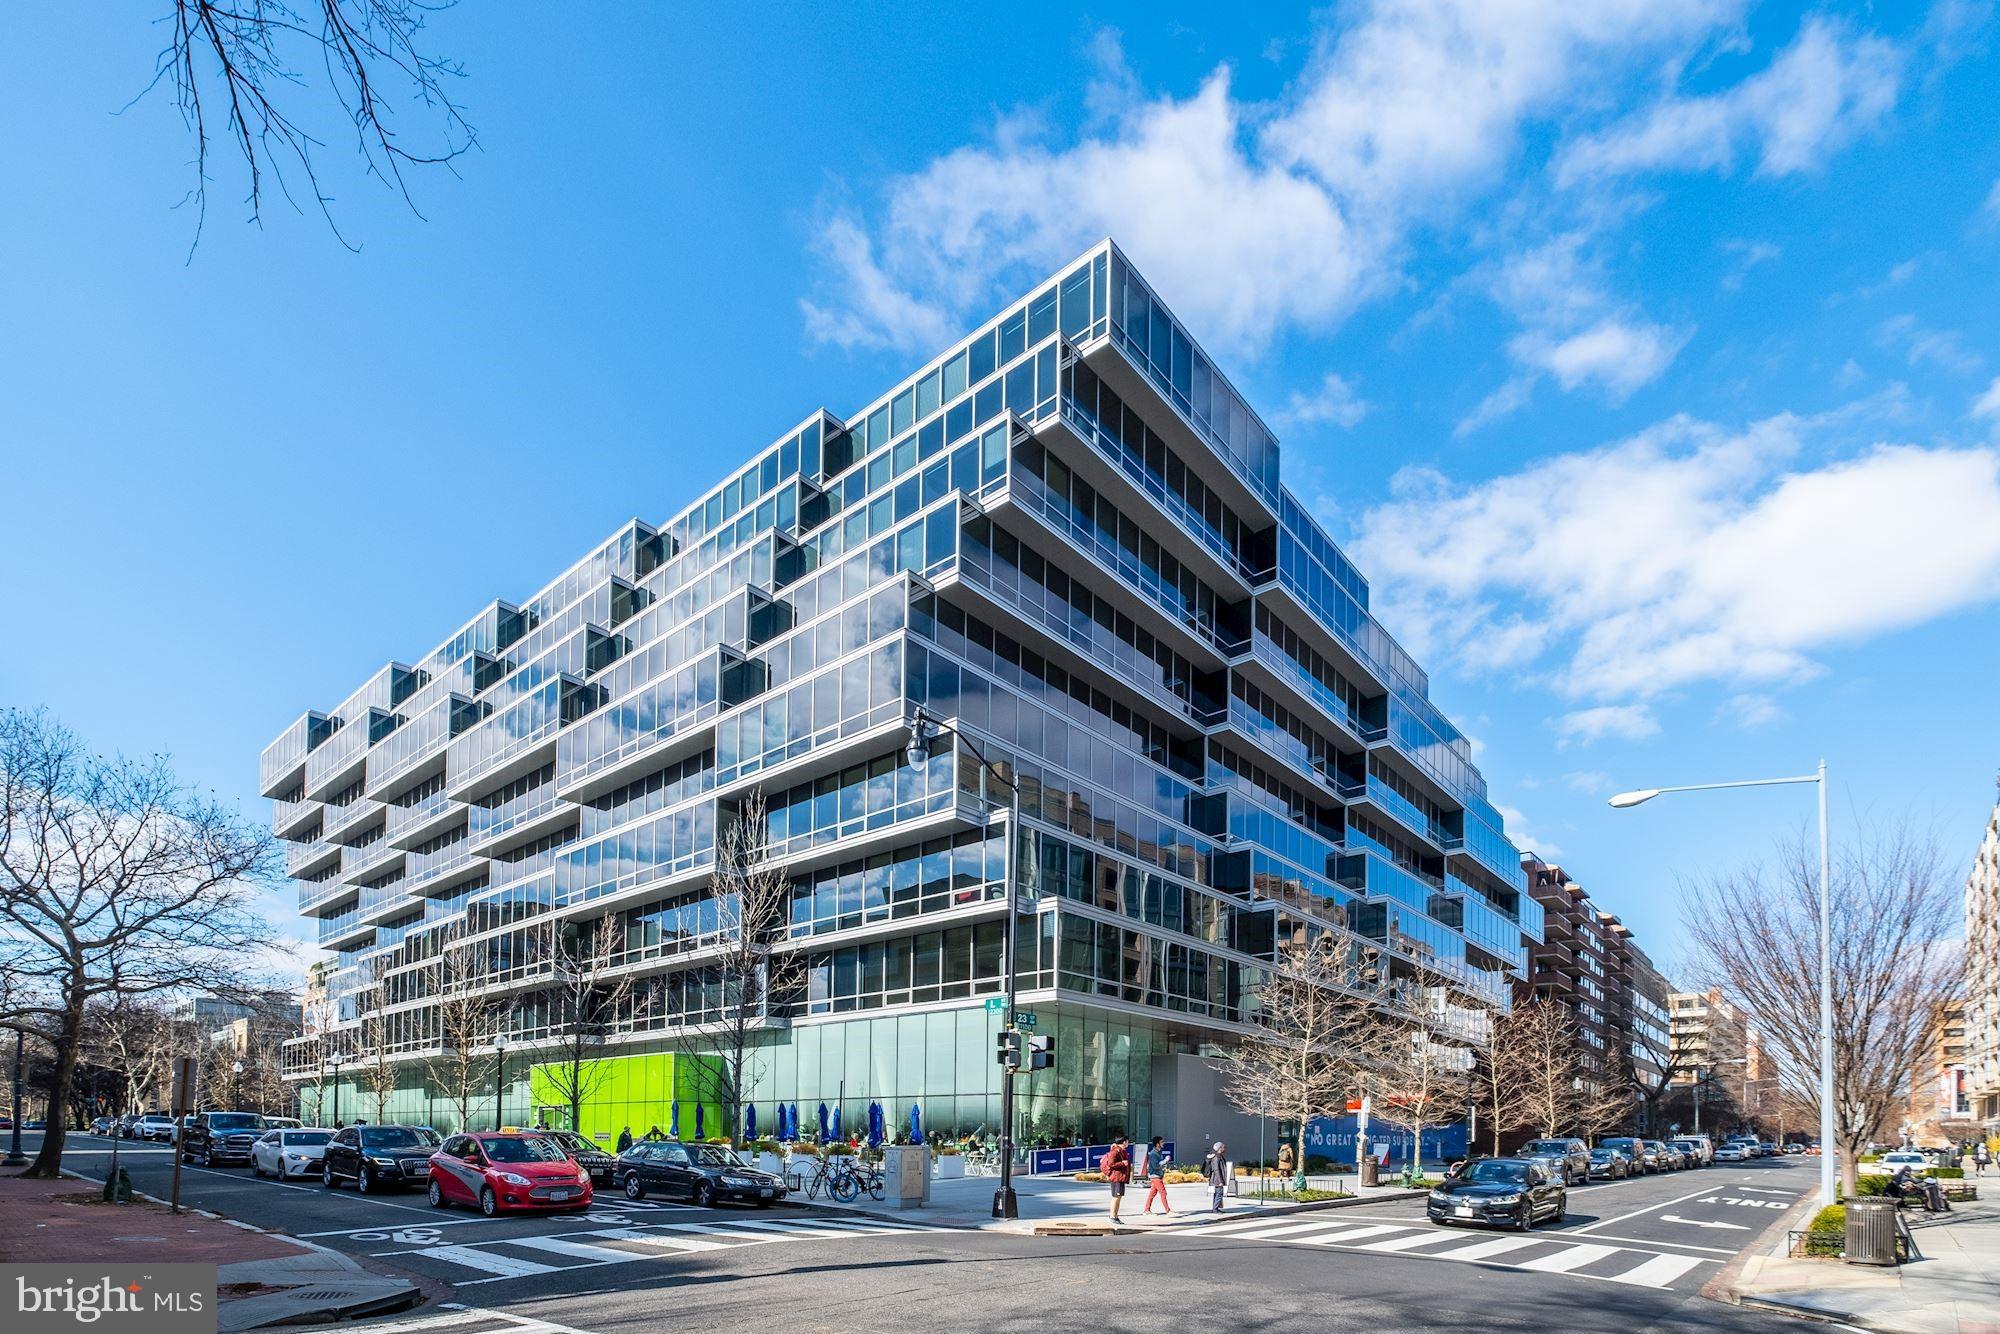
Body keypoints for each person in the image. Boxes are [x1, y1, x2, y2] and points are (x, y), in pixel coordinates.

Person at [1101, 1134, 1132, 1222]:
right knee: (1116, 1197)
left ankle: (1115, 1216)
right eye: (1127, 1141)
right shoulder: (1115, 1151)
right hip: (1117, 1177)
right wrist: (1122, 1163)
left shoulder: (1121, 1150)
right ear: (1124, 1142)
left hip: (1120, 1177)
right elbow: (1111, 1164)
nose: (1128, 1143)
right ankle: (1112, 1216)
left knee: (1118, 1197)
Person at [1142, 1136, 1172, 1216]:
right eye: (1161, 1142)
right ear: (1157, 1144)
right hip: (1155, 1176)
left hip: (1158, 1175)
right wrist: (1165, 1160)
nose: (1163, 1143)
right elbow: (1155, 1166)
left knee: (1152, 1193)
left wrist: (1165, 1164)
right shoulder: (1153, 1154)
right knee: (1163, 1193)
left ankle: (1146, 1210)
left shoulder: (1159, 1152)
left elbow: (1160, 1164)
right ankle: (1168, 1211)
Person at [1203, 1141, 1228, 1213]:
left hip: (1216, 1179)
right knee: (1219, 1193)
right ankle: (1215, 1209)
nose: (1224, 1148)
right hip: (1217, 1179)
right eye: (1223, 1147)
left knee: (1217, 1193)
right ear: (1220, 1148)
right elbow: (1216, 1169)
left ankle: (1216, 1208)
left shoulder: (1218, 1156)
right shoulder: (1216, 1157)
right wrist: (1220, 1181)